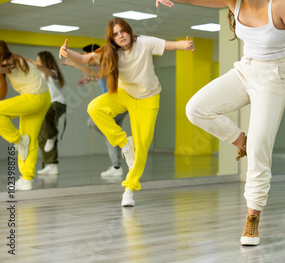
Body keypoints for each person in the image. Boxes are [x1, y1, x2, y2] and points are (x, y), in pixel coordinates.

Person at [154, 0, 285, 246]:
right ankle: (242, 142)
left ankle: (252, 217)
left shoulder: (280, 5)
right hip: (246, 69)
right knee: (196, 108)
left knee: (262, 146)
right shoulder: (231, 0)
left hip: (274, 76)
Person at [59, 17, 195, 207]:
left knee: (142, 147)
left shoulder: (145, 43)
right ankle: (124, 143)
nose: (120, 36)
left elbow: (171, 45)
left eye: (122, 31)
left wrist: (186, 44)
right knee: (94, 108)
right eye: (115, 34)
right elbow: (82, 59)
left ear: (129, 31)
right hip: (123, 94)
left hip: (148, 98)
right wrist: (66, 52)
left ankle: (129, 189)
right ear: (112, 39)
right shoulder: (109, 52)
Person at [62, 44, 128, 178]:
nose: (87, 60)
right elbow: (98, 76)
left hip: (116, 105)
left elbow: (96, 73)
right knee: (109, 134)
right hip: (115, 106)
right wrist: (89, 79)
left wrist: (75, 64)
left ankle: (122, 143)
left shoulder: (107, 65)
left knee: (93, 123)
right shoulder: (103, 67)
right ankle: (116, 166)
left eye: (88, 57)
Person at [0, 40, 51, 190]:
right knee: (29, 138)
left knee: (23, 139)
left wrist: (16, 139)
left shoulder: (11, 61)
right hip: (42, 98)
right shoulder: (15, 59)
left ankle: (17, 140)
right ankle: (27, 179)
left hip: (33, 98)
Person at [30, 51, 67, 175]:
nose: (37, 62)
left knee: (47, 128)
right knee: (41, 135)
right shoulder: (40, 75)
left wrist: (31, 63)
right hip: (46, 105)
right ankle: (51, 165)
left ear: (44, 61)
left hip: (57, 104)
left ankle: (52, 135)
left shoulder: (52, 73)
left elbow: (47, 71)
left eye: (39, 60)